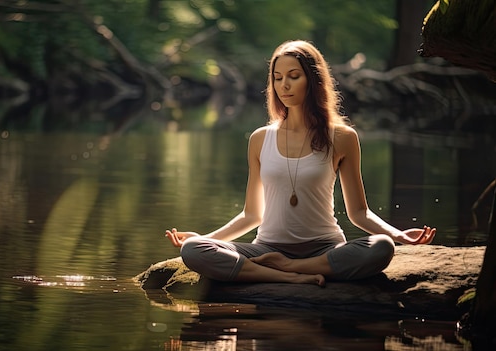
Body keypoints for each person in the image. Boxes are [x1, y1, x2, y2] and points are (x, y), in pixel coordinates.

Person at [164, 40, 436, 287]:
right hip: (267, 249)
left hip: (324, 249)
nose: (284, 86)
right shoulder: (260, 139)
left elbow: (359, 213)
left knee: (381, 247)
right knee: (193, 250)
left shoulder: (342, 137)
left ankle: (295, 268)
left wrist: (399, 236)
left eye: (294, 77)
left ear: (314, 80)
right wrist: (207, 238)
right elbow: (252, 215)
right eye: (278, 78)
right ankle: (284, 276)